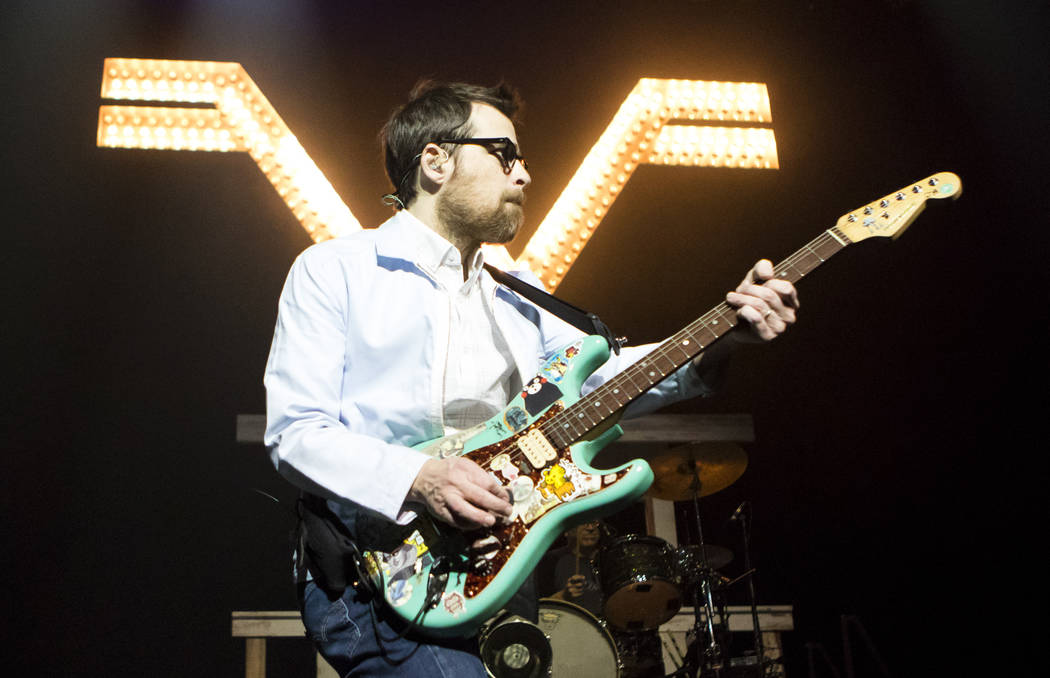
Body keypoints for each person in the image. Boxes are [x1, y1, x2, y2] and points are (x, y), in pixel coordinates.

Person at [263, 80, 799, 677]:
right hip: (382, 571)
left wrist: (720, 339)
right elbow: (296, 433)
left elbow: (597, 387)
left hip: (498, 574)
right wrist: (422, 478)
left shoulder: (519, 290)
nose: (524, 175)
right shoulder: (335, 270)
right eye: (504, 154)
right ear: (435, 161)